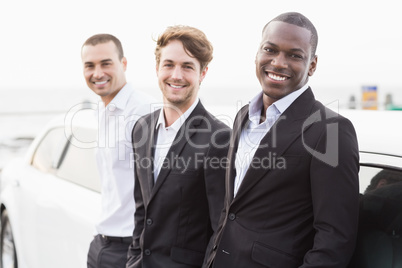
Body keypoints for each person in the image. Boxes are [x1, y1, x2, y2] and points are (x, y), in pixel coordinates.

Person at [202, 12, 360, 268]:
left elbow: (335, 240)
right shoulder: (244, 116)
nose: (278, 62)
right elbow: (231, 210)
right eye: (270, 49)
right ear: (257, 54)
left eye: (294, 55)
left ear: (312, 65)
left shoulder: (330, 130)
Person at [126, 25, 231, 268]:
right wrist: (133, 259)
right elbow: (142, 211)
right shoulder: (141, 128)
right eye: (169, 64)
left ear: (202, 73)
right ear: (157, 69)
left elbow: (221, 231)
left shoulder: (220, 138)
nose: (176, 75)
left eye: (187, 66)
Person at [81, 34, 156, 268]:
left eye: (106, 63)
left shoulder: (143, 112)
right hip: (101, 243)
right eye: (89, 66)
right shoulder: (102, 110)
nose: (97, 73)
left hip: (130, 249)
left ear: (123, 64)